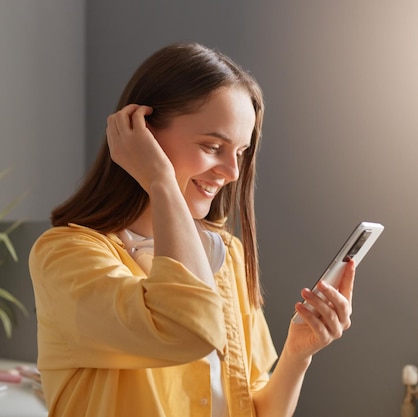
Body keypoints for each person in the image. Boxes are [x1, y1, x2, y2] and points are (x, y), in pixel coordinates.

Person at [28, 42, 355, 417]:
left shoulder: (226, 253)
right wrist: (161, 181)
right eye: (213, 145)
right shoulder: (66, 256)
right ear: (143, 135)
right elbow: (187, 328)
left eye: (241, 152)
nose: (232, 172)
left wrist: (298, 354)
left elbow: (257, 408)